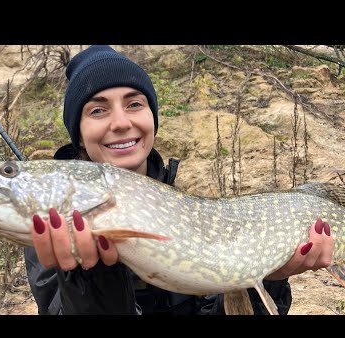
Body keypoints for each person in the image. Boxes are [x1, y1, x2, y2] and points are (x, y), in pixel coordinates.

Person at [24, 45, 334, 315]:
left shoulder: (183, 209)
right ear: (78, 134)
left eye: (134, 104)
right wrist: (94, 279)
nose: (121, 122)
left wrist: (268, 278)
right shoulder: (54, 233)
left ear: (152, 119)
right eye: (98, 110)